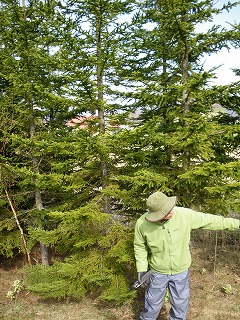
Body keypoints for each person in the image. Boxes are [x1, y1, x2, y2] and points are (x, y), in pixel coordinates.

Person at [134, 191, 240, 320]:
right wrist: (141, 269)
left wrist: (237, 224)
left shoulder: (184, 215)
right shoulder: (142, 223)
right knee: (151, 307)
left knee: (180, 307)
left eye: (170, 207)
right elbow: (140, 247)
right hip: (157, 273)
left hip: (181, 272)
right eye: (166, 212)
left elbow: (213, 220)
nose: (171, 211)